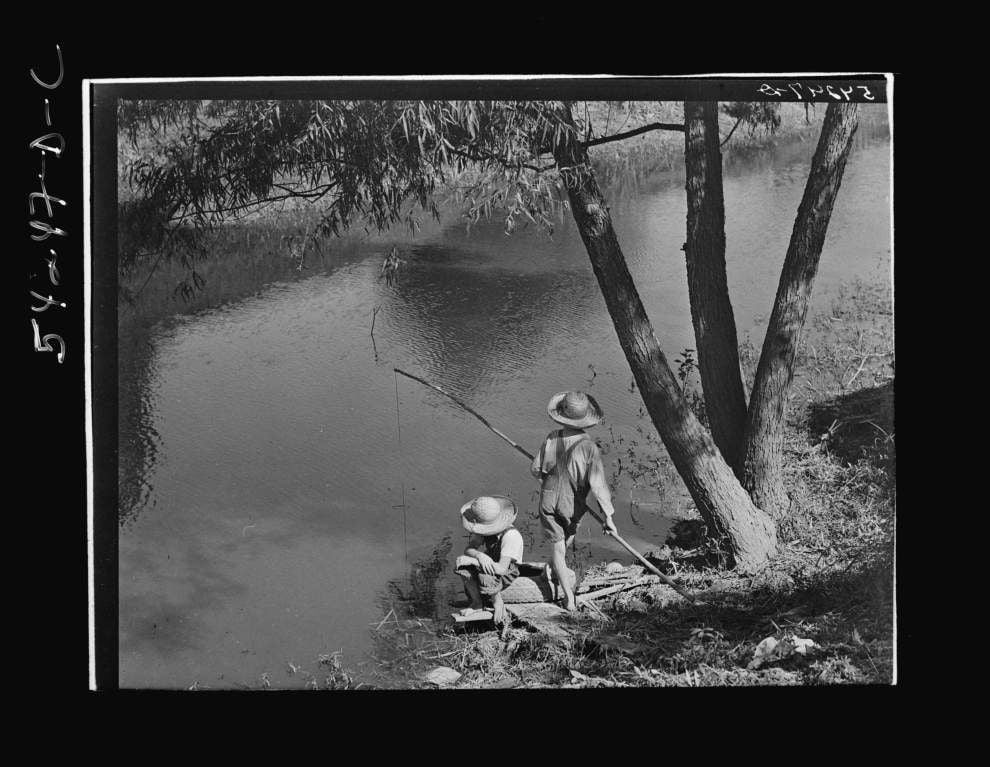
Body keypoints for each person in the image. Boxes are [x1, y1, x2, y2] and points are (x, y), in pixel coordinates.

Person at [531, 390, 618, 611]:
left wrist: (548, 478)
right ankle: (567, 593)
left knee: (558, 549)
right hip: (573, 504)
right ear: (586, 419)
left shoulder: (552, 438)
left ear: (561, 415)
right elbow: (598, 486)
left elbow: (536, 470)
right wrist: (608, 516)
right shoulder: (590, 448)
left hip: (549, 500)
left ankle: (557, 581)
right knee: (563, 543)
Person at [454, 495, 524, 625]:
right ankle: (477, 602)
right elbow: (469, 549)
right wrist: (480, 556)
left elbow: (502, 569)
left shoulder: (511, 536)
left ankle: (498, 602)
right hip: (490, 563)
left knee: (484, 575)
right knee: (462, 566)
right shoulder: (483, 529)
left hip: (506, 571)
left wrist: (476, 562)